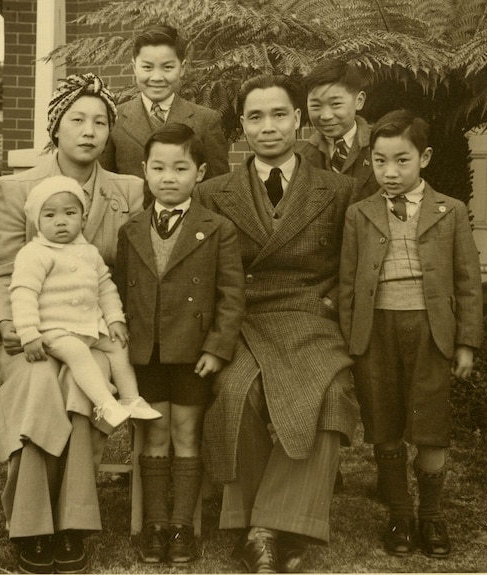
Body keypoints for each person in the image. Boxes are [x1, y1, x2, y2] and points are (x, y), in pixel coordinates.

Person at [194, 74, 360, 573]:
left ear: (299, 120)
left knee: (329, 395)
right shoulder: (212, 192)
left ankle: (270, 526)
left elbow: (351, 266)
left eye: (279, 115)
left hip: (311, 315)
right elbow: (201, 272)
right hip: (241, 318)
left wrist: (329, 304)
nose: (269, 127)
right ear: (241, 126)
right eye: (256, 117)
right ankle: (258, 520)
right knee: (235, 391)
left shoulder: (339, 189)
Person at [0, 73, 144, 574]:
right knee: (37, 385)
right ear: (55, 126)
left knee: (81, 390)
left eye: (100, 121)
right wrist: (6, 325)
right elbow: (5, 270)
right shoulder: (15, 187)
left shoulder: (129, 189)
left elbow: (125, 273)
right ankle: (31, 522)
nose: (89, 131)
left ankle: (74, 517)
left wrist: (114, 325)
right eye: (77, 119)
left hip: (92, 326)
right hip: (28, 330)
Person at [338, 110, 483, 559]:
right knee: (383, 421)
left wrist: (465, 342)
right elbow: (347, 284)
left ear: (426, 158)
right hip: (374, 331)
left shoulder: (451, 211)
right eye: (380, 161)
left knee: (430, 425)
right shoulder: (360, 214)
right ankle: (399, 513)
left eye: (402, 160)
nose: (390, 172)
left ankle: (431, 516)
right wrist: (349, 341)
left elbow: (468, 282)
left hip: (430, 330)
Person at [113, 124, 245, 565]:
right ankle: (154, 524)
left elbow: (231, 296)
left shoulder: (218, 228)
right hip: (146, 352)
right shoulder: (130, 228)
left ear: (201, 172)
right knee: (154, 431)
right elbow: (119, 290)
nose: (169, 177)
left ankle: (182, 526)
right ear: (144, 170)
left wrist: (216, 348)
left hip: (193, 355)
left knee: (186, 433)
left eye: (180, 167)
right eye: (158, 167)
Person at [9, 175, 161, 429]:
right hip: (55, 330)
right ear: (37, 222)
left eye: (69, 213)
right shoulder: (34, 254)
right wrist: (28, 332)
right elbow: (23, 293)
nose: (61, 221)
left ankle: (130, 398)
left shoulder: (89, 252)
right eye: (49, 216)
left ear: (82, 218)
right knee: (77, 353)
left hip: (90, 326)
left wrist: (114, 319)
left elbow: (106, 289)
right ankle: (104, 403)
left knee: (118, 345)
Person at [101, 24, 230, 206]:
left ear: (182, 68)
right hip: (130, 228)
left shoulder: (206, 120)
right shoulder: (114, 119)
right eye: (147, 67)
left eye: (167, 67)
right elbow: (104, 186)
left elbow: (219, 190)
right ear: (134, 67)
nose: (157, 77)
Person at [297, 58, 378, 203]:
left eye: (336, 104)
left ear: (359, 101)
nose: (326, 116)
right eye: (316, 106)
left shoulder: (380, 146)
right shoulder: (303, 159)